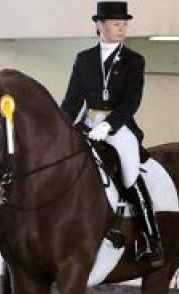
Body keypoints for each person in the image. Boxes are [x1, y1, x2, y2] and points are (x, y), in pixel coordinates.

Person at [60, 1, 163, 267]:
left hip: (118, 127)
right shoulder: (84, 58)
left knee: (129, 171)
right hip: (87, 123)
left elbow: (131, 101)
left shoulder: (134, 60)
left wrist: (110, 125)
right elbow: (72, 100)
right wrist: (61, 126)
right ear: (99, 25)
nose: (122, 29)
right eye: (116, 24)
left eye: (124, 24)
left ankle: (151, 238)